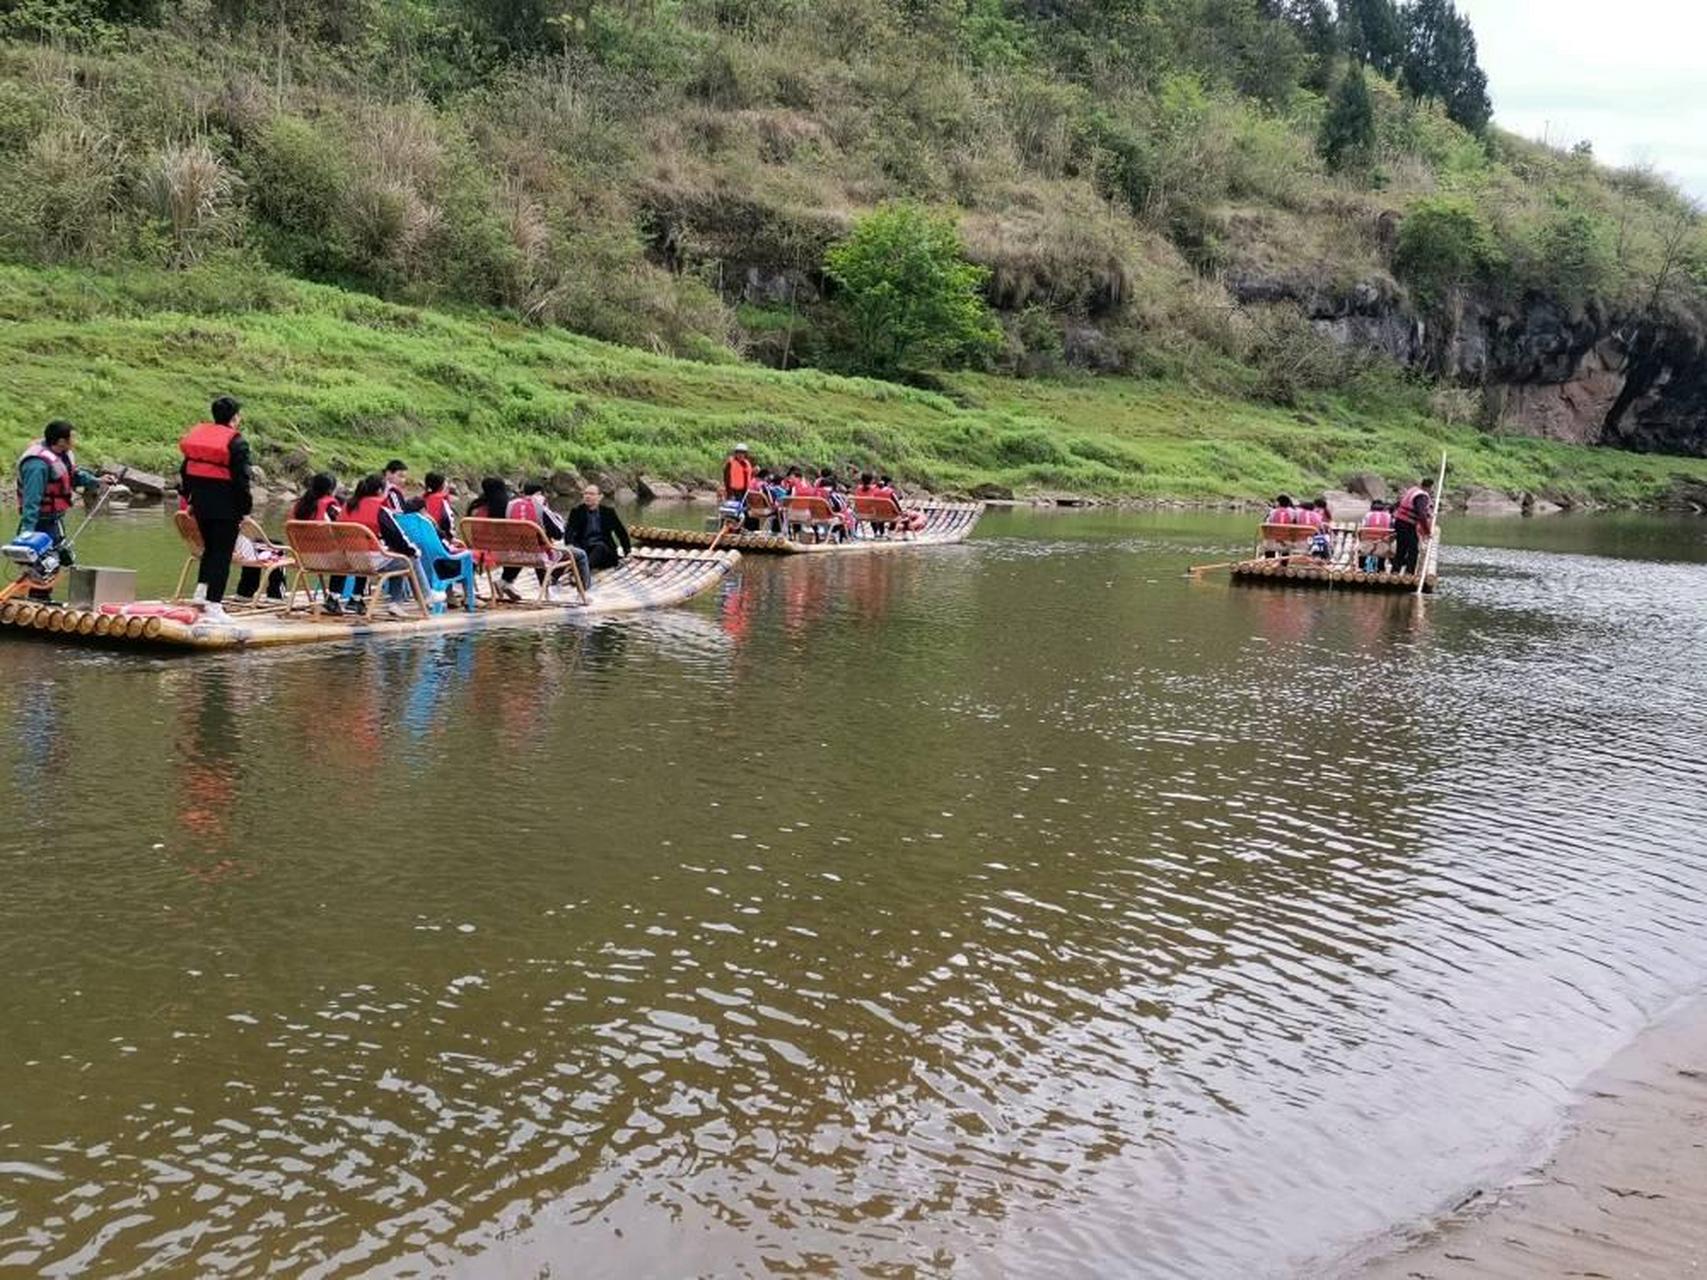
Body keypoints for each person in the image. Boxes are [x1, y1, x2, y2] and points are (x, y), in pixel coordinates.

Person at [13, 421, 107, 601]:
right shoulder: (37, 465)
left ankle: (40, 598)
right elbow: (32, 501)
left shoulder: (62, 455)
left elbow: (73, 476)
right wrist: (27, 534)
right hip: (40, 521)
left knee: (61, 559)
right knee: (42, 564)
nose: (75, 440)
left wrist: (98, 480)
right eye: (73, 437)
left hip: (55, 520)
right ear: (61, 441)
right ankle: (36, 599)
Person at [177, 395, 252, 621]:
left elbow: (186, 470)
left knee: (210, 549)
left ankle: (201, 593)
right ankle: (214, 606)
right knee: (222, 554)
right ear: (234, 417)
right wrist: (244, 508)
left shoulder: (199, 439)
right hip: (226, 506)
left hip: (200, 503)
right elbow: (241, 479)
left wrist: (189, 498)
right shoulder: (237, 443)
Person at [506, 482, 588, 596]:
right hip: (539, 555)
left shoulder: (511, 505)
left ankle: (548, 586)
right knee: (580, 555)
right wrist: (556, 517)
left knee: (538, 545)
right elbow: (559, 534)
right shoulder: (541, 508)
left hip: (514, 554)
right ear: (539, 493)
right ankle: (584, 594)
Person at [394, 497, 477, 610]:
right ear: (423, 510)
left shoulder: (400, 521)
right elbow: (441, 546)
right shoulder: (425, 523)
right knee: (468, 559)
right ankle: (469, 599)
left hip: (419, 564)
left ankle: (450, 597)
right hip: (440, 566)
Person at [565, 483, 631, 571]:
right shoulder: (577, 511)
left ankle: (582, 570)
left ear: (600, 497)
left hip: (604, 550)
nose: (587, 496)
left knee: (600, 547)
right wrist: (570, 545)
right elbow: (569, 531)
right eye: (585, 493)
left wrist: (627, 551)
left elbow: (620, 532)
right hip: (585, 548)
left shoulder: (608, 512)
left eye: (591, 494)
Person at [1392, 476, 1435, 576]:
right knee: (1413, 550)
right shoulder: (1422, 496)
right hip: (1407, 524)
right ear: (1429, 487)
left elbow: (1398, 504)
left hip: (1399, 522)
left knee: (1401, 548)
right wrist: (1427, 531)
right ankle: (1409, 572)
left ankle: (1395, 570)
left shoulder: (1412, 490)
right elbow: (1422, 515)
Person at [1360, 500, 1394, 573]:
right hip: (1383, 541)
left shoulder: (1367, 515)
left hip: (1368, 541)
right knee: (1382, 555)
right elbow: (1391, 529)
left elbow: (1362, 527)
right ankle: (1381, 569)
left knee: (1362, 552)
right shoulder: (1388, 516)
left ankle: (1361, 567)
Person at [421, 472, 457, 541]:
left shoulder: (422, 499)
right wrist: (451, 538)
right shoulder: (443, 500)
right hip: (439, 538)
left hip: (424, 536)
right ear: (442, 485)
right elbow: (448, 521)